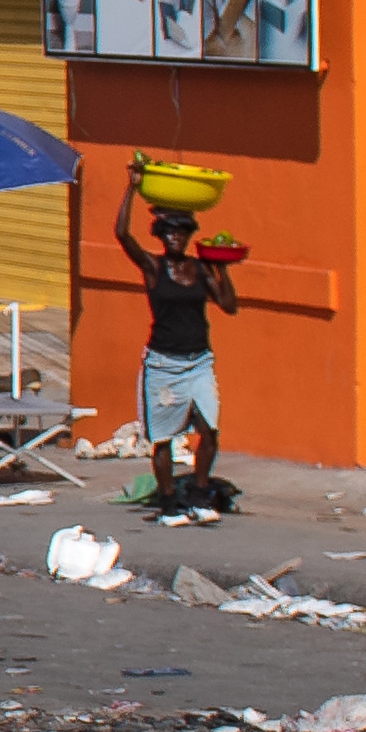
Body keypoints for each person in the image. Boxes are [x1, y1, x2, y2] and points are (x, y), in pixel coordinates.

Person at [115, 172, 240, 521]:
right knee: (163, 438)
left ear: (188, 237)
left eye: (182, 233)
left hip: (199, 361)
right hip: (163, 364)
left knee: (209, 429)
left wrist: (222, 268)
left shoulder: (198, 269)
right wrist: (132, 188)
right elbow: (122, 234)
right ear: (160, 234)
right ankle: (169, 500)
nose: (175, 237)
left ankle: (199, 493)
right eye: (169, 232)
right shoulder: (153, 267)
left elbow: (229, 306)